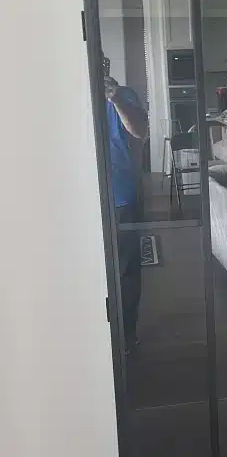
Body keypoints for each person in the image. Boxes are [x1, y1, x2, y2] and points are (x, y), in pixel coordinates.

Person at [102, 54, 148, 350]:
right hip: (83, 198)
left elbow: (140, 131)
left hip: (122, 195)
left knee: (127, 269)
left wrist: (115, 98)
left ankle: (126, 334)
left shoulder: (124, 95)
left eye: (103, 64)